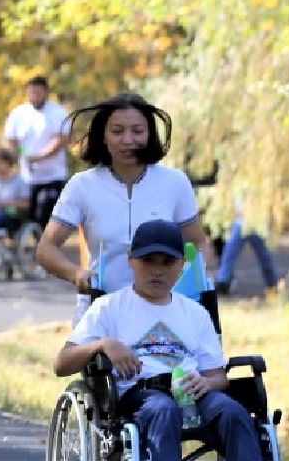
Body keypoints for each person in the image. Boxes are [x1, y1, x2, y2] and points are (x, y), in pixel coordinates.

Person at [54, 220, 289, 461]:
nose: (157, 271)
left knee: (235, 413)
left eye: (167, 263)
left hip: (196, 393)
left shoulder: (194, 313)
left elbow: (218, 375)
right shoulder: (109, 308)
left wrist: (208, 384)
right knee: (162, 409)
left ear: (181, 266)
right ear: (131, 261)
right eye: (148, 261)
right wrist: (103, 345)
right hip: (142, 396)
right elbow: (61, 362)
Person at [35, 91, 217, 310]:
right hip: (100, 313)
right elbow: (46, 248)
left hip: (163, 317)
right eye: (117, 131)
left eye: (137, 131)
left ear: (150, 134)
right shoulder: (82, 185)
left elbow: (199, 244)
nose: (128, 140)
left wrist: (188, 277)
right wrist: (76, 274)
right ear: (103, 135)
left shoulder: (175, 183)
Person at [2, 76, 70, 227]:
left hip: (52, 176)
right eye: (31, 92)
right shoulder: (18, 113)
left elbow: (61, 140)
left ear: (45, 92)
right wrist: (19, 156)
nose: (34, 96)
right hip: (26, 177)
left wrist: (38, 157)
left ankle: (44, 246)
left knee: (44, 213)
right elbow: (12, 140)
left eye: (37, 92)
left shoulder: (58, 113)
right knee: (23, 215)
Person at [214, 201, 279, 295]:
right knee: (229, 252)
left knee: (264, 256)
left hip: (257, 222)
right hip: (240, 222)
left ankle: (271, 284)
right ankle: (223, 281)